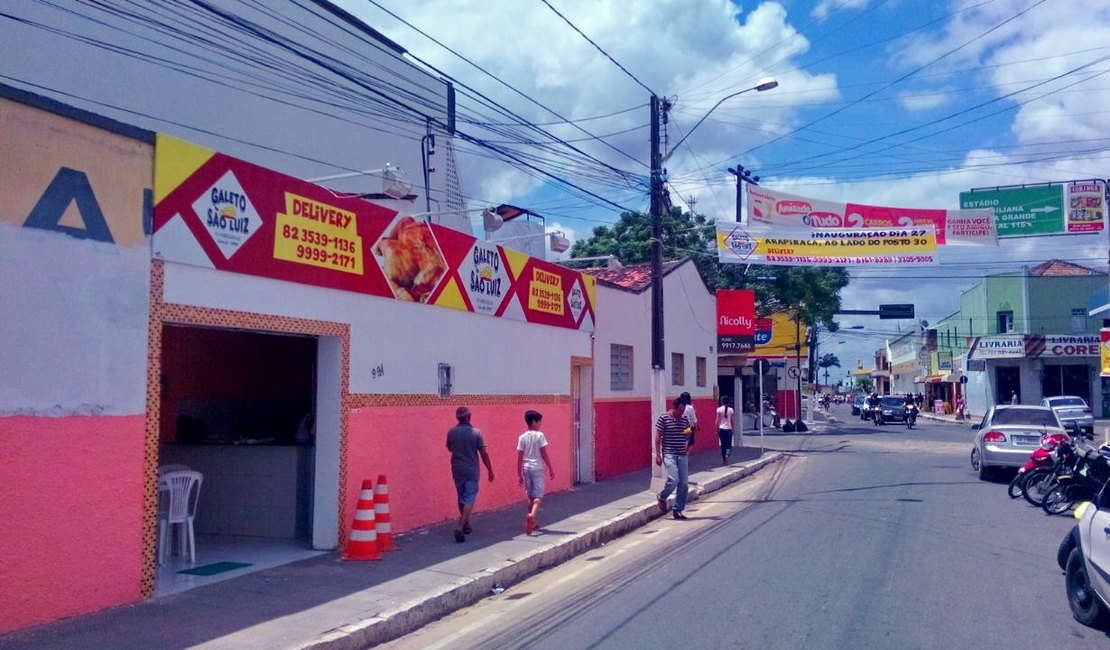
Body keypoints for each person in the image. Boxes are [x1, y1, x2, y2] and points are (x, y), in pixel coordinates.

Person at [445, 406, 494, 543]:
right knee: (469, 498)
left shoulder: (451, 432)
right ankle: (460, 526)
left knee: (461, 497)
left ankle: (466, 524)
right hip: (471, 470)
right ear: (469, 417)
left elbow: (450, 448)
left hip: (457, 469)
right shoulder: (476, 433)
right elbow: (483, 453)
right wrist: (490, 470)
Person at [517, 410, 555, 535]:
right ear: (533, 422)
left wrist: (519, 473)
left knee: (530, 496)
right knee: (538, 496)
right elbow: (544, 453)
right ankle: (532, 515)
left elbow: (520, 456)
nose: (540, 424)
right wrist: (550, 468)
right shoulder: (540, 435)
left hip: (526, 468)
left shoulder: (522, 437)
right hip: (537, 467)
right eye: (539, 422)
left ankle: (533, 523)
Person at [655, 397, 691, 520]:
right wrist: (658, 455)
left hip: (682, 453)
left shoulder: (684, 419)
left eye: (683, 411)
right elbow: (658, 437)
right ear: (674, 407)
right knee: (674, 479)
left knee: (684, 484)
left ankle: (678, 510)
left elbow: (687, 432)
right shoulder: (664, 418)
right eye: (679, 411)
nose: (681, 413)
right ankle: (662, 496)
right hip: (669, 453)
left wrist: (688, 435)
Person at [715, 396, 736, 465]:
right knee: (728, 445)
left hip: (721, 429)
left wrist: (716, 429)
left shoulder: (719, 409)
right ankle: (727, 455)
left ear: (721, 402)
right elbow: (732, 420)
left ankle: (724, 460)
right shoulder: (731, 410)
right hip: (728, 429)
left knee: (723, 445)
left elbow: (717, 420)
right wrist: (733, 429)